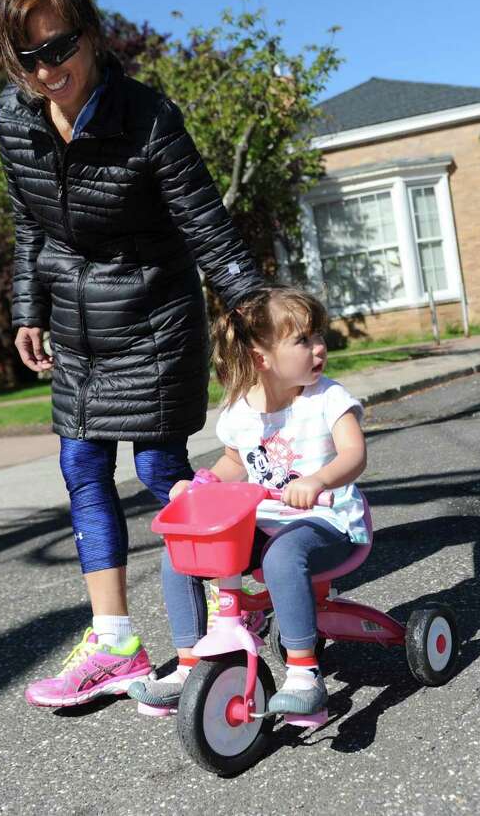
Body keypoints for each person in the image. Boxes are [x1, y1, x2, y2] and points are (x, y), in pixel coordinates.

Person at [0, 0, 263, 707]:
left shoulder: (146, 116)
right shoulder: (14, 119)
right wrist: (28, 306)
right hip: (76, 325)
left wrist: (257, 314)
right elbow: (28, 222)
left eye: (60, 46)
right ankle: (115, 641)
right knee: (81, 467)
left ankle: (220, 616)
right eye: (31, 58)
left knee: (157, 470)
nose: (50, 70)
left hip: (151, 314)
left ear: (89, 31)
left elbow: (206, 224)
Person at [128, 287, 368, 716]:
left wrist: (317, 480)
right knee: (180, 554)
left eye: (318, 336)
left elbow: (354, 454)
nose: (319, 347)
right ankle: (188, 663)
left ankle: (303, 672)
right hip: (267, 524)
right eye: (303, 340)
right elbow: (232, 461)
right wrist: (201, 483)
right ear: (262, 358)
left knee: (281, 556)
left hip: (330, 523)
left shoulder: (329, 399)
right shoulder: (241, 413)